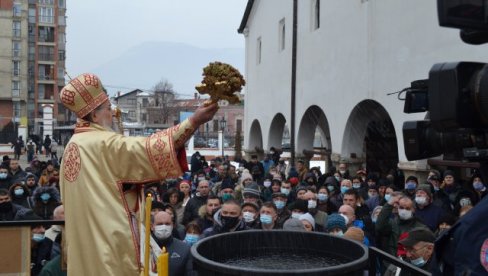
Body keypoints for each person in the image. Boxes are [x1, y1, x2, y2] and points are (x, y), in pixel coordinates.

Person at [58, 73, 218, 275]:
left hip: (84, 247)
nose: (113, 112)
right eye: (108, 108)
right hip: (110, 244)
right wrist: (193, 121)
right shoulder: (102, 143)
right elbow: (150, 151)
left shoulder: (73, 146)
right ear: (94, 115)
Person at [150, 211, 193, 276]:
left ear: (172, 225)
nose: (164, 227)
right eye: (159, 224)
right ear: (152, 226)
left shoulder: (184, 249)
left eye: (167, 224)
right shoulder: (143, 247)